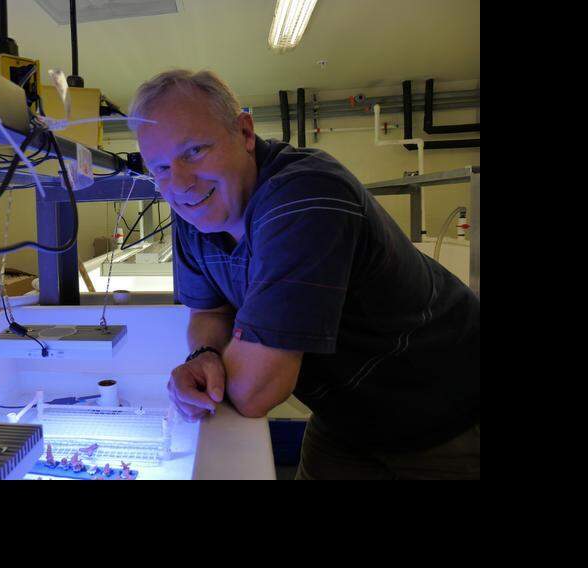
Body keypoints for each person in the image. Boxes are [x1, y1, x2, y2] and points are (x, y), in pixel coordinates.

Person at [131, 70, 479, 480]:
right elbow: (208, 312)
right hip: (345, 417)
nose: (180, 184)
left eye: (194, 151)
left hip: (449, 411)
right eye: (161, 168)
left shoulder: (306, 196)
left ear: (244, 131)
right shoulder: (193, 214)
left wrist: (223, 370)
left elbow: (253, 391)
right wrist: (204, 355)